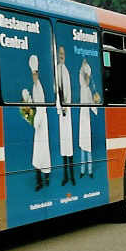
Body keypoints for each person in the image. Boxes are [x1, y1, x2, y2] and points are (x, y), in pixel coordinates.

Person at [28, 55, 51, 191]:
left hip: (41, 125)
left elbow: (41, 108)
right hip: (38, 128)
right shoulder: (34, 87)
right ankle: (39, 180)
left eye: (35, 74)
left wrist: (35, 121)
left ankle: (46, 177)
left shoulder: (39, 88)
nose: (34, 76)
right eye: (32, 74)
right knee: (37, 155)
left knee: (44, 153)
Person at [55, 45, 74, 186]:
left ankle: (71, 175)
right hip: (61, 113)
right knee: (63, 146)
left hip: (66, 113)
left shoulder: (66, 71)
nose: (61, 55)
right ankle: (65, 176)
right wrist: (59, 108)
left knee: (69, 146)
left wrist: (66, 107)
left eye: (63, 53)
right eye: (59, 53)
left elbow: (68, 92)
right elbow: (56, 90)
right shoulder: (56, 70)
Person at [77, 60, 98, 178]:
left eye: (88, 78)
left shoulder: (89, 91)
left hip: (87, 120)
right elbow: (80, 73)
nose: (87, 79)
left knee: (88, 146)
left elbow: (93, 107)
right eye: (86, 77)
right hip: (82, 119)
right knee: (82, 147)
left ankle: (89, 171)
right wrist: (82, 65)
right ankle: (82, 170)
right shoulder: (81, 86)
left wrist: (96, 101)